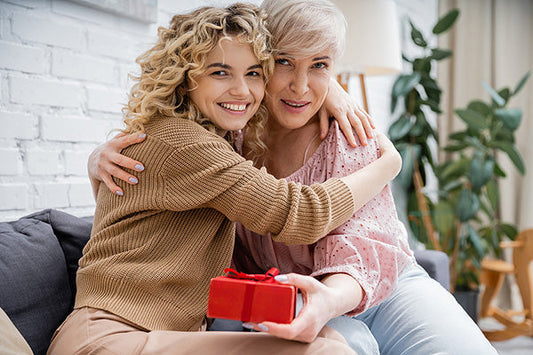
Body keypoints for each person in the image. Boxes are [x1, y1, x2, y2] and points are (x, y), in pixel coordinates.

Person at [89, 1, 499, 354]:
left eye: (319, 65)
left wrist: (328, 301)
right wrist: (97, 157)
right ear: (262, 60)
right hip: (287, 295)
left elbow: (362, 246)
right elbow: (291, 210)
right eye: (283, 62)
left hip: (379, 287)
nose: (300, 86)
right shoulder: (229, 129)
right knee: (345, 345)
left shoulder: (350, 132)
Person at [48, 3, 403, 354]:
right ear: (185, 76)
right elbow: (301, 214)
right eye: (220, 73)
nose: (242, 91)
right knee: (330, 352)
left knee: (329, 339)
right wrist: (388, 163)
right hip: (109, 338)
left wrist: (330, 89)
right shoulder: (188, 144)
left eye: (253, 73)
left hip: (154, 334)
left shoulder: (188, 137)